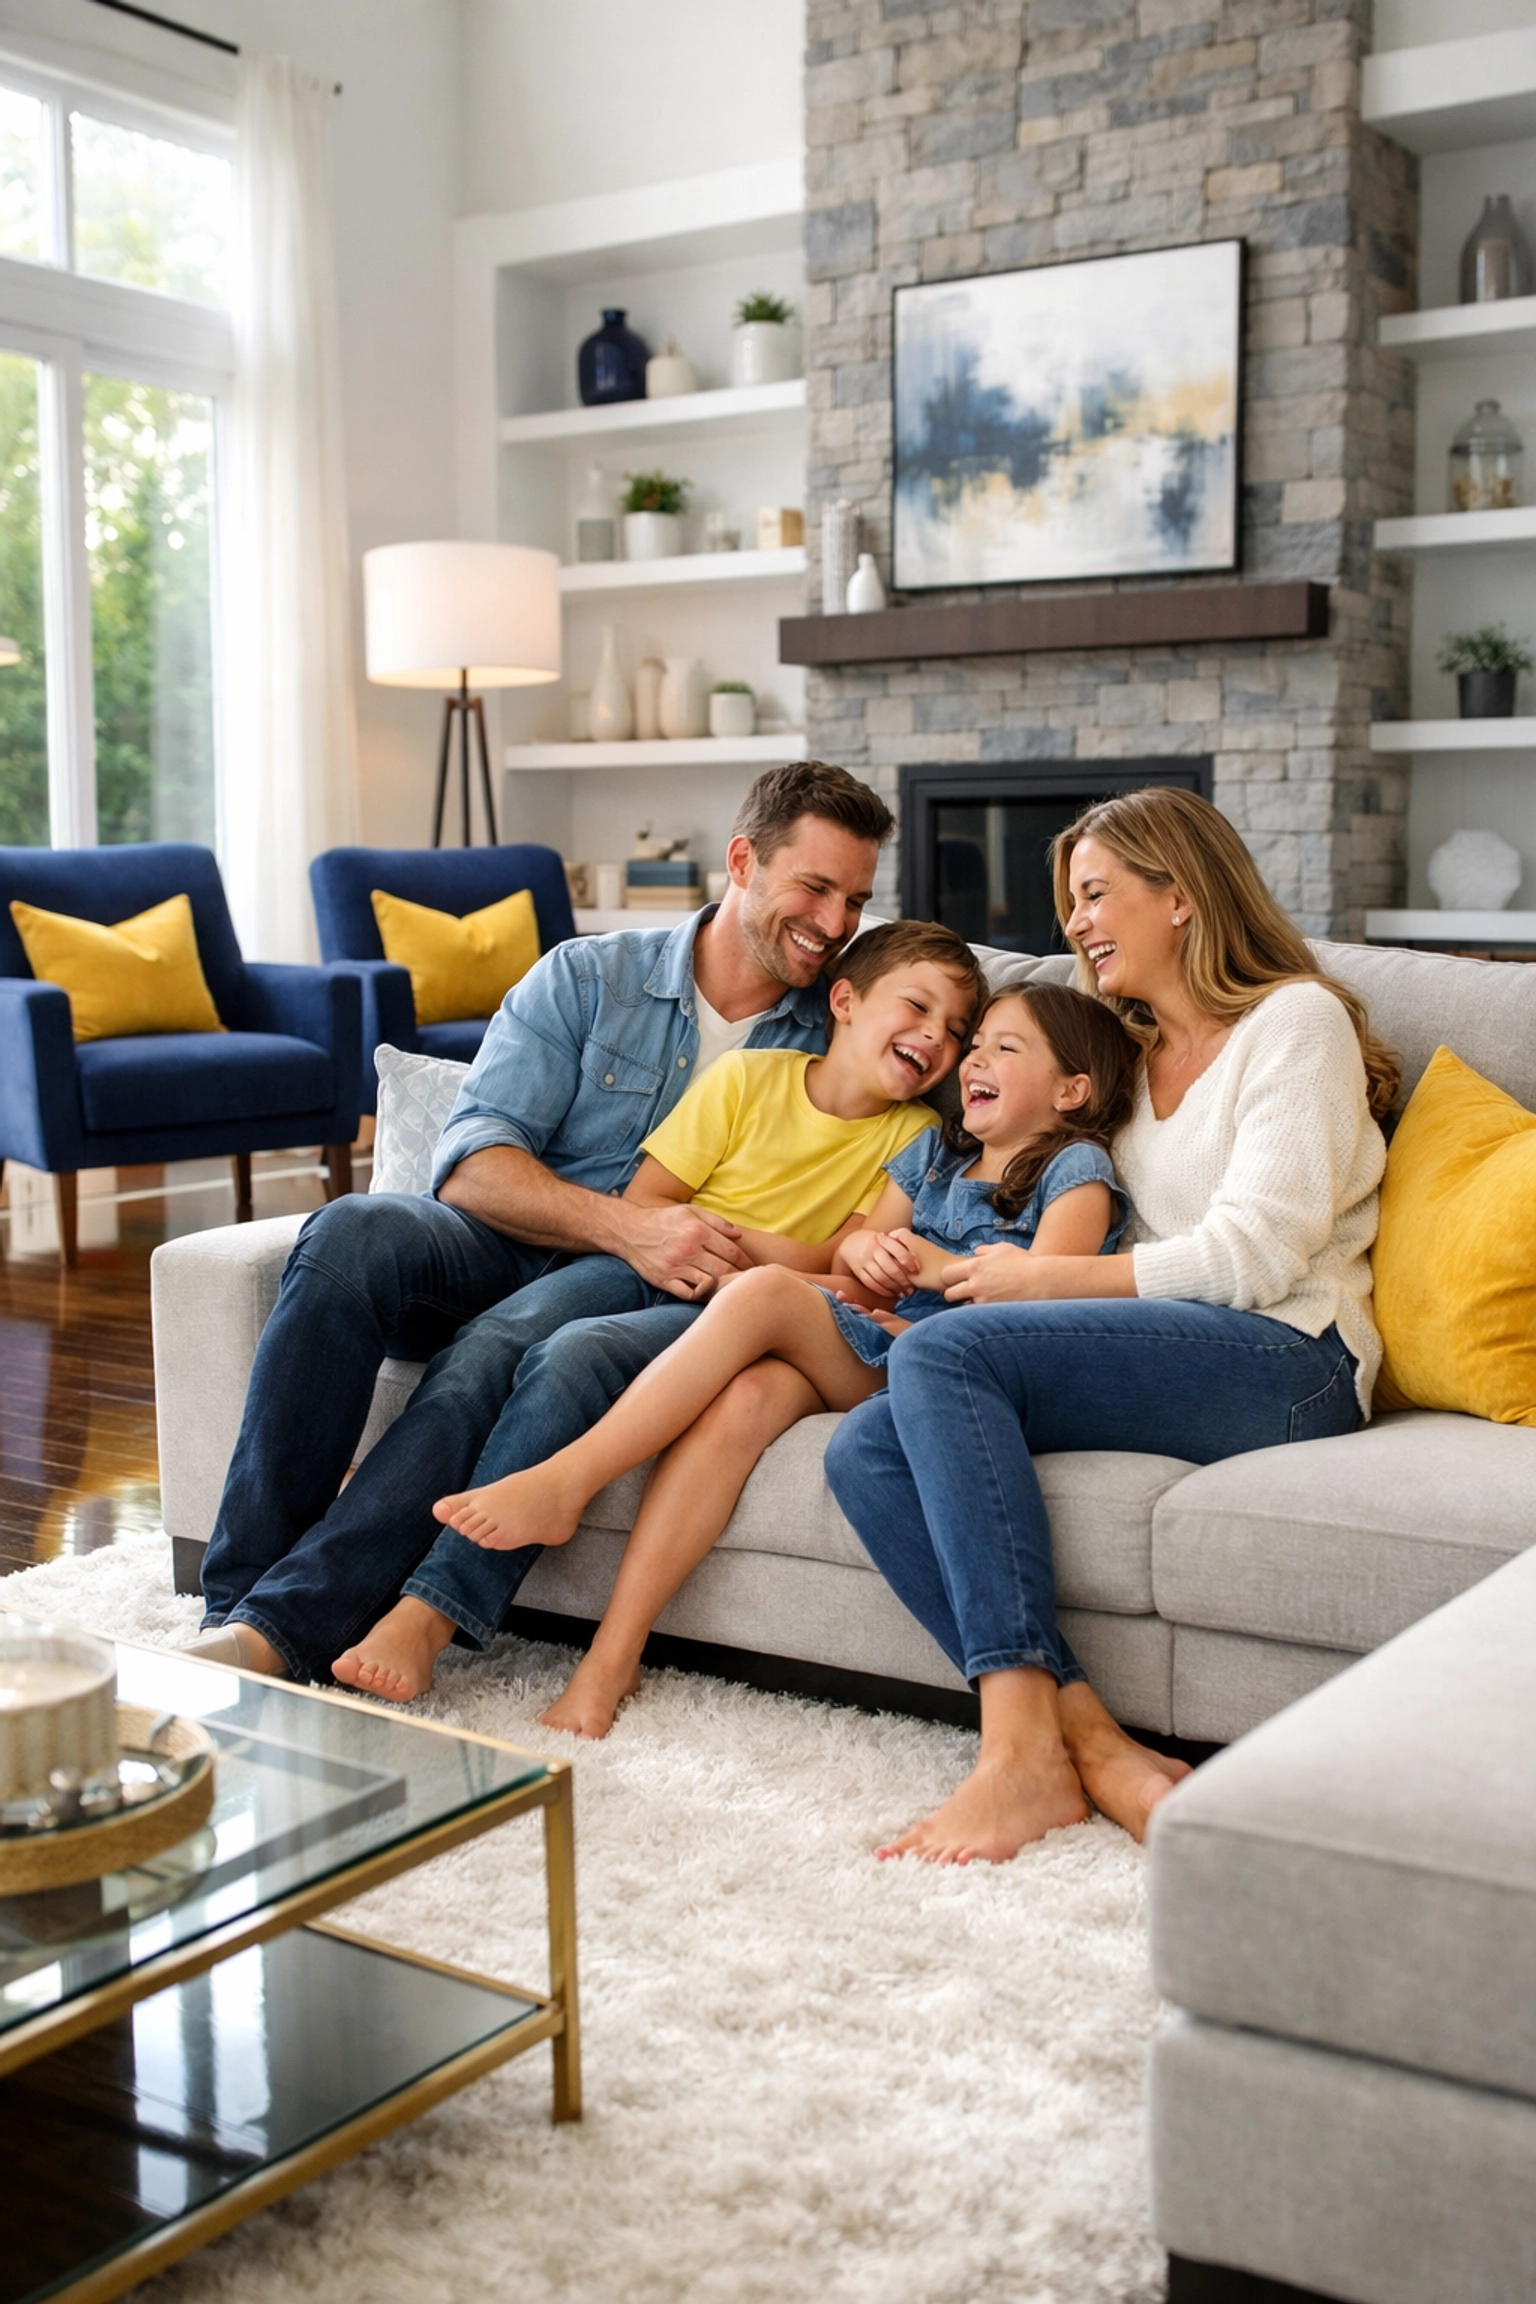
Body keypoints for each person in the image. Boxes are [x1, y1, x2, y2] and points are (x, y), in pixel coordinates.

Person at [185, 762, 893, 1685]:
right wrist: (626, 1226)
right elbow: (474, 1169)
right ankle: (234, 1602)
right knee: (348, 1233)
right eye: (816, 888)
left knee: (506, 1344)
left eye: (857, 899)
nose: (836, 924)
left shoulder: (839, 1032)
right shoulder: (589, 976)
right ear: (743, 861)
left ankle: (279, 1631)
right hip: (512, 1240)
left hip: (648, 1291)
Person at [821, 784, 1401, 1867]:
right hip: (1175, 1353)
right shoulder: (1121, 1071)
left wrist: (1044, 1284)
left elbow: (1257, 1255)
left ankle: (1009, 1755)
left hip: (1293, 1361)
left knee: (945, 1352)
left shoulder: (1294, 1023)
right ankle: (1083, 1741)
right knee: (864, 1448)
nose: (1075, 924)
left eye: (1095, 895)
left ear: (1180, 896)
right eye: (1069, 903)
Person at [426, 981, 1140, 1741]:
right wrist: (863, 1251)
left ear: (1073, 1089)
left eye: (1006, 1046)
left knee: (764, 1295)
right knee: (746, 1397)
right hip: (879, 1338)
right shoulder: (933, 1154)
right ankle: (611, 1656)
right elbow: (856, 1263)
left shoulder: (1076, 1172)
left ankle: (568, 1480)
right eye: (977, 1044)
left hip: (962, 1373)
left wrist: (927, 1269)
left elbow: (1046, 1311)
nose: (973, 1060)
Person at [331, 918, 986, 1705]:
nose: (934, 1038)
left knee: (576, 1356)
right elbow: (648, 1204)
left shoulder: (914, 1140)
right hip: (645, 1262)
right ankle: (368, 1537)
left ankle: (428, 1612)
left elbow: (847, 1277)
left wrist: (735, 1250)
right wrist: (761, 1250)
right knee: (500, 1335)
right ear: (843, 1000)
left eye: (954, 1031)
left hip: (728, 1312)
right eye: (916, 1007)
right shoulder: (749, 1077)